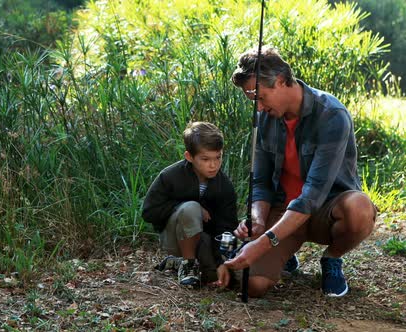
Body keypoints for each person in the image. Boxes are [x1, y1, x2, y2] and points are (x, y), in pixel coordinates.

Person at [225, 47, 377, 297]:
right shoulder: (266, 118)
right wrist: (259, 221)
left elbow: (312, 196)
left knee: (359, 208)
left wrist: (263, 243)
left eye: (261, 98)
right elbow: (261, 181)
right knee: (251, 285)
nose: (259, 108)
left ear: (282, 81)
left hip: (323, 209)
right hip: (282, 209)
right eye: (254, 101)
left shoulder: (332, 115)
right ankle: (286, 252)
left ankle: (332, 258)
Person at [142, 121, 238, 287]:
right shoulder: (170, 176)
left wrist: (222, 261)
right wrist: (188, 206)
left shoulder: (224, 185)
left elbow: (225, 227)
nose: (213, 165)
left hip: (204, 238)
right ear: (189, 157)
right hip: (174, 237)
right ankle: (188, 264)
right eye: (205, 159)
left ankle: (177, 263)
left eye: (218, 157)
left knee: (217, 277)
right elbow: (149, 212)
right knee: (191, 208)